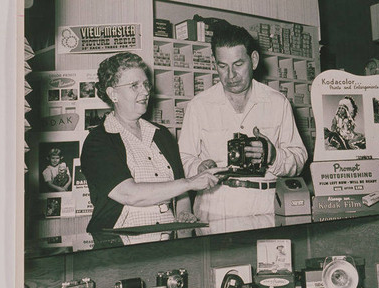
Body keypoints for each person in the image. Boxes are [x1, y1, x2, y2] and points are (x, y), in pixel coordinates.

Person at [81, 52, 224, 234]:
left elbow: (180, 192)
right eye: (134, 86)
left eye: (146, 84)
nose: (145, 91)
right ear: (113, 93)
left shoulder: (161, 134)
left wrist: (184, 213)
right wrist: (190, 183)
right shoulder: (98, 141)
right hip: (119, 247)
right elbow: (129, 194)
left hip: (165, 243)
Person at [178, 24, 307, 221]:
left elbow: (298, 159)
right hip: (215, 205)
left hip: (267, 204)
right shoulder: (199, 106)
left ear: (253, 60)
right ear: (214, 64)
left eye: (238, 64)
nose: (231, 75)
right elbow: (183, 158)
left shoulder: (277, 102)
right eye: (223, 66)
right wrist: (199, 167)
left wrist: (272, 156)